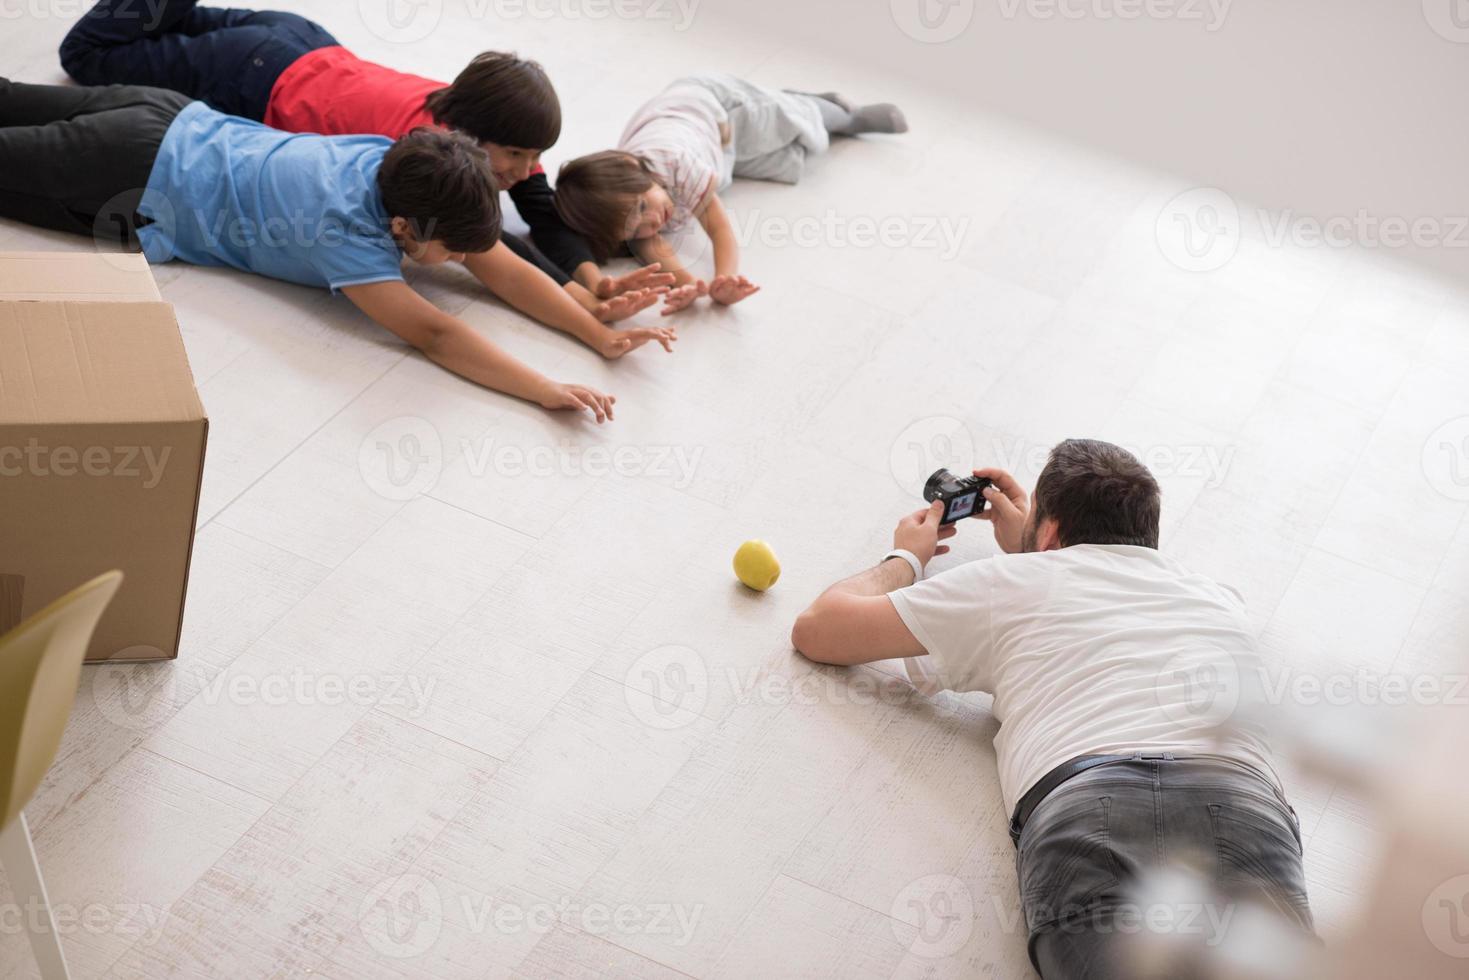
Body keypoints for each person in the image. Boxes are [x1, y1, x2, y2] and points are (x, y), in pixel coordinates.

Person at [791, 439, 1317, 979]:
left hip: (1091, 804)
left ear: (1050, 531)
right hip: (1239, 801)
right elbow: (1088, 586)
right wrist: (1035, 545)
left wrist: (905, 556)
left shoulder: (1008, 584)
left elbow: (819, 630)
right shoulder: (1218, 597)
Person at [0, 77, 630, 420]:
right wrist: (543, 387)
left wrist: (596, 336)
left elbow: (504, 269)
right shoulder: (347, 240)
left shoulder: (398, 162)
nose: (466, 262)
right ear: (405, 229)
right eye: (454, 252)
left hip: (164, 113)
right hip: (130, 173)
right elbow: (438, 335)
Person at [57, 0, 677, 325]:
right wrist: (580, 305)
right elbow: (491, 248)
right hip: (260, 72)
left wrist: (592, 280)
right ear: (469, 134)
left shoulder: (490, 122)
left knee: (154, 35)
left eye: (534, 156)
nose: (526, 169)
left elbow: (538, 211)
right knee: (85, 53)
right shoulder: (430, 156)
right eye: (518, 157)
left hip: (302, 41)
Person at [552, 73, 908, 313]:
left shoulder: (675, 164)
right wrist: (696, 288)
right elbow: (651, 249)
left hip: (715, 106)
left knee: (788, 120)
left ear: (636, 171)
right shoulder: (632, 218)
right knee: (785, 164)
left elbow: (719, 228)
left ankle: (839, 113)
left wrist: (726, 275)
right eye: (634, 227)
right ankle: (811, 114)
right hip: (714, 149)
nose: (651, 222)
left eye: (644, 205)